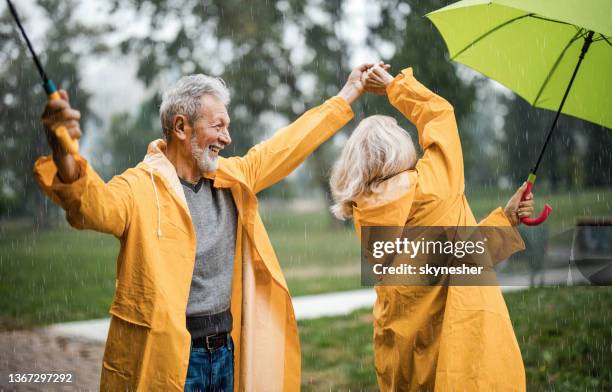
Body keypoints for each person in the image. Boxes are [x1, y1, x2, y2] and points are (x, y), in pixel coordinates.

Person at [34, 63, 382, 391]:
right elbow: (92, 208)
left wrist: (349, 91)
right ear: (182, 127)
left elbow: (290, 143)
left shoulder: (232, 178)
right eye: (218, 126)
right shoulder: (140, 187)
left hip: (225, 352)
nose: (227, 138)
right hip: (174, 357)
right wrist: (63, 151)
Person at [330, 64, 535, 391]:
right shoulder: (435, 185)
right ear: (400, 148)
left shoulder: (364, 211)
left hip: (410, 366)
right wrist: (394, 86)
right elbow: (439, 113)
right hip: (464, 358)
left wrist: (505, 219)